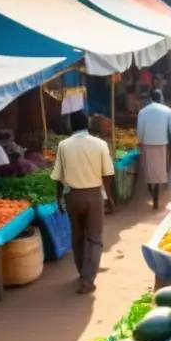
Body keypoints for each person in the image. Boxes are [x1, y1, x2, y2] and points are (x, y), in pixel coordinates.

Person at [52, 111, 116, 294]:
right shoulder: (100, 144)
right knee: (94, 239)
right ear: (87, 124)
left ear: (71, 126)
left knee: (78, 237)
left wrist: (59, 198)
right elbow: (108, 174)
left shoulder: (63, 146)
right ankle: (87, 279)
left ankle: (82, 273)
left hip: (72, 195)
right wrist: (108, 195)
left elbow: (58, 177)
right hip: (94, 194)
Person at [137, 89, 171, 210]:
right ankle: (155, 195)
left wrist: (140, 141)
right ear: (161, 98)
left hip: (147, 144)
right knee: (159, 172)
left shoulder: (142, 112)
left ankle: (151, 192)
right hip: (161, 145)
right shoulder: (167, 111)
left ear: (150, 98)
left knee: (148, 170)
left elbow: (140, 132)